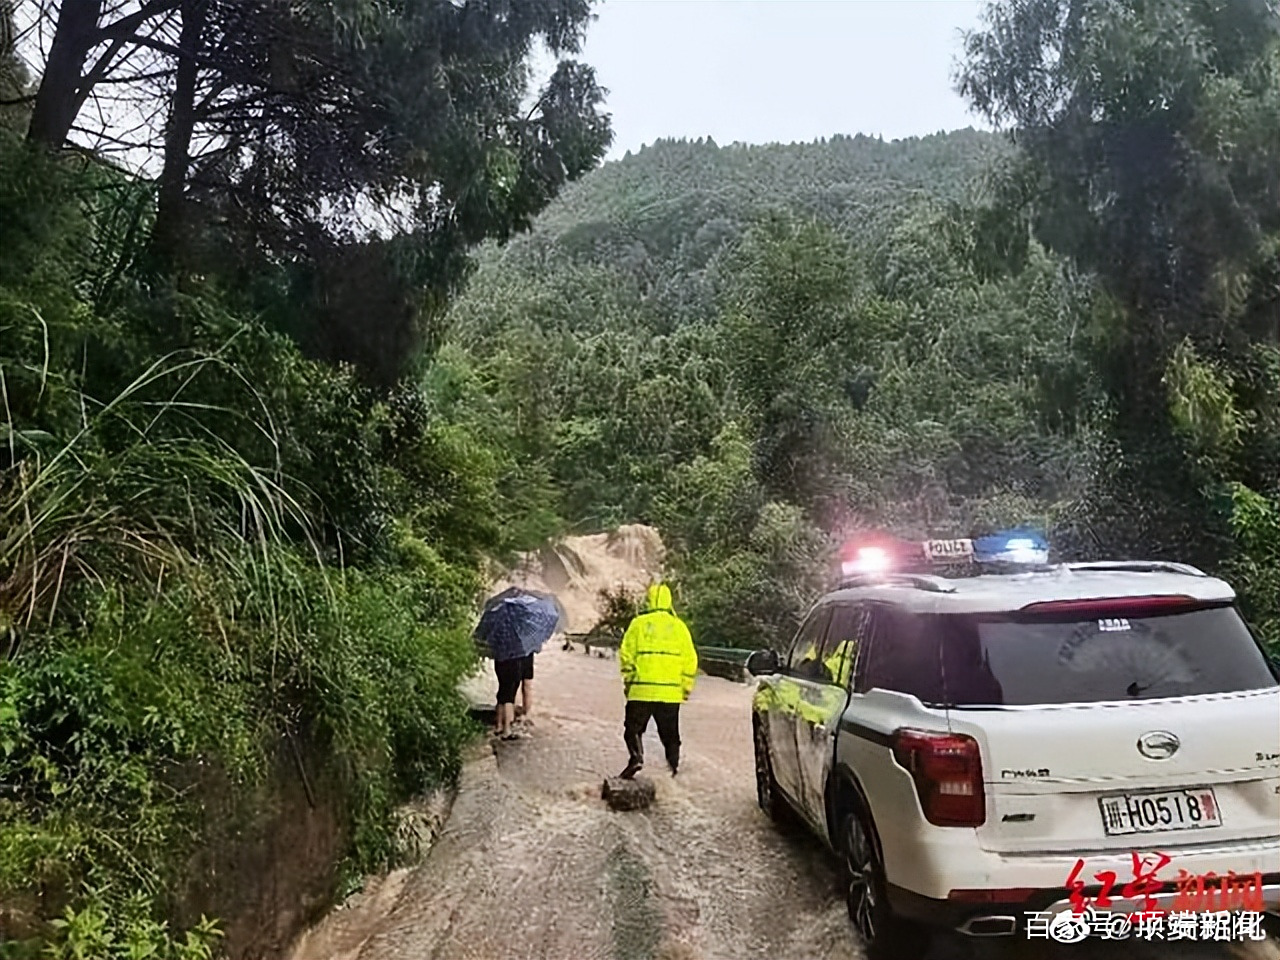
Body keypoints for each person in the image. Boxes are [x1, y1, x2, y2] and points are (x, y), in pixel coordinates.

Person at [617, 583, 698, 779]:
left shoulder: (638, 624)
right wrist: (686, 688)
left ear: (649, 601)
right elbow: (690, 660)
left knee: (633, 730)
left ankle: (636, 758)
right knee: (671, 735)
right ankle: (674, 770)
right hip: (670, 693)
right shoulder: (679, 627)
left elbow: (626, 655)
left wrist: (629, 682)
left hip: (641, 690)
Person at [494, 651, 535, 740]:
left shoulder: (498, 644)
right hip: (513, 661)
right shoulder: (518, 646)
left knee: (502, 691)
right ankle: (507, 729)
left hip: (500, 660)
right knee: (509, 696)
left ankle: (499, 725)